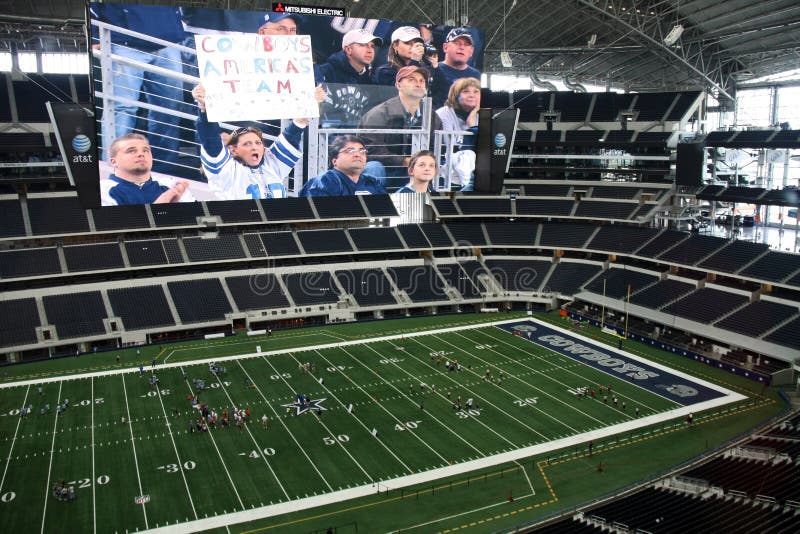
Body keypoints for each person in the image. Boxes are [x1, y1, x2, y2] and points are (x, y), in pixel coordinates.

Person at [90, 4, 186, 174]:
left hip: (168, 41)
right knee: (122, 109)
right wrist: (95, 35)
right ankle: (114, 170)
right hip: (122, 39)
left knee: (170, 110)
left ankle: (164, 170)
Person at [191, 83, 308, 200]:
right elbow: (210, 140)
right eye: (247, 144)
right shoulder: (226, 171)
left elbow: (291, 135)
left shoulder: (271, 164)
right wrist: (206, 110)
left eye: (258, 143)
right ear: (233, 149)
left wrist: (309, 105)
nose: (254, 147)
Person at [358, 65, 442, 183]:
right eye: (412, 80)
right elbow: (371, 150)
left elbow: (437, 147)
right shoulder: (378, 114)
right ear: (398, 85)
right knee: (374, 167)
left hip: (417, 169)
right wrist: (404, 161)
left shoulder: (432, 116)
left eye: (422, 81)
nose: (418, 84)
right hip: (386, 168)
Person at [101, 134, 191, 206]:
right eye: (131, 151)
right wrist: (163, 202)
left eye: (145, 150)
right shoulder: (102, 189)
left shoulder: (171, 185)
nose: (141, 154)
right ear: (114, 162)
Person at [298, 135, 387, 197]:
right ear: (334, 160)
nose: (358, 154)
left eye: (362, 151)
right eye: (350, 151)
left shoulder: (372, 182)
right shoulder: (324, 182)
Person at [435, 77, 480, 190]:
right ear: (455, 96)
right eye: (466, 91)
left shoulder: (480, 115)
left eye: (476, 92)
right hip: (447, 166)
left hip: (472, 168)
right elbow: (452, 146)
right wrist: (472, 129)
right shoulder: (443, 113)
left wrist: (471, 121)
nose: (472, 95)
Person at [430, 27, 481, 108]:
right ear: (445, 47)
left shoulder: (476, 75)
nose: (462, 47)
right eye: (457, 43)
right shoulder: (432, 69)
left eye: (466, 44)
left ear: (471, 51)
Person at [314, 29, 382, 85]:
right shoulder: (324, 73)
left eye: (372, 46)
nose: (370, 50)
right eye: (363, 45)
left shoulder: (370, 78)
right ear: (348, 49)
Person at [374, 26, 438, 86]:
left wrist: (435, 68)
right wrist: (414, 61)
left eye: (416, 44)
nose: (413, 47)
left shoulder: (424, 68)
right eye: (407, 43)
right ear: (395, 46)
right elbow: (403, 89)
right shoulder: (384, 72)